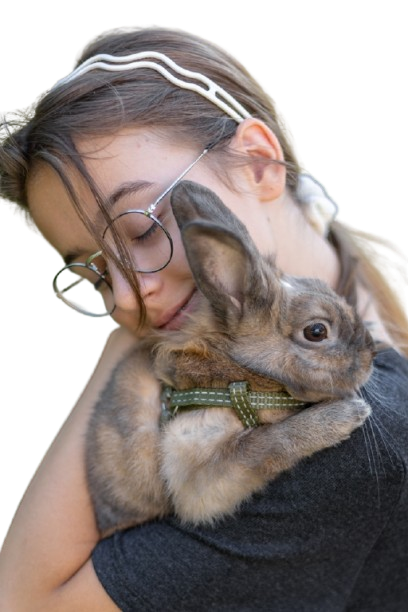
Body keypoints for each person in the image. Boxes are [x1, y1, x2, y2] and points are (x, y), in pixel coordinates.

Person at [0, 24, 407, 612]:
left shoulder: (343, 441)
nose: (127, 298)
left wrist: (135, 332)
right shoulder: (362, 302)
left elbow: (23, 599)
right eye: (95, 273)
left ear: (259, 163)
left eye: (142, 229)